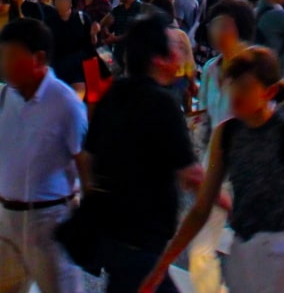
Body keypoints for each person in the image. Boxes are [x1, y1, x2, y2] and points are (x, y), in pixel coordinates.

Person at [140, 46, 284, 293]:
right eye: (232, 85)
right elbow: (202, 206)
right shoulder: (225, 134)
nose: (235, 95)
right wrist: (163, 264)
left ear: (269, 92)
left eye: (245, 88)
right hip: (243, 253)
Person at [81, 16, 199, 293]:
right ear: (158, 59)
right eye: (173, 48)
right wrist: (226, 201)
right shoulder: (161, 103)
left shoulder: (114, 93)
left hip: (116, 236)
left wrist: (94, 202)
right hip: (143, 240)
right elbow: (192, 173)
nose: (179, 54)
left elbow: (86, 158)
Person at [0, 17, 87, 293]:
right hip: (8, 219)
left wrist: (84, 226)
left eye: (12, 57)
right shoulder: (7, 95)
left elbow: (84, 164)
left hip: (49, 222)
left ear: (39, 58)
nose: (4, 65)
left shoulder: (65, 103)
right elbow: (8, 148)